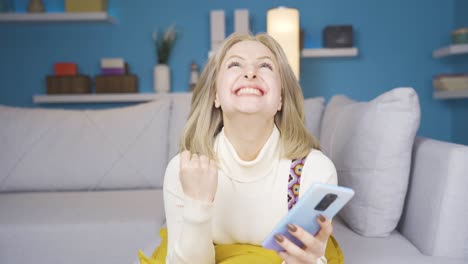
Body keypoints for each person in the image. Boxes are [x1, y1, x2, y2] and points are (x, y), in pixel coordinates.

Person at [162, 32, 339, 264]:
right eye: (235, 64)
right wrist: (198, 204)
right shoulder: (184, 169)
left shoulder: (315, 171)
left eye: (265, 65)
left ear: (281, 100)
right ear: (215, 95)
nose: (250, 73)